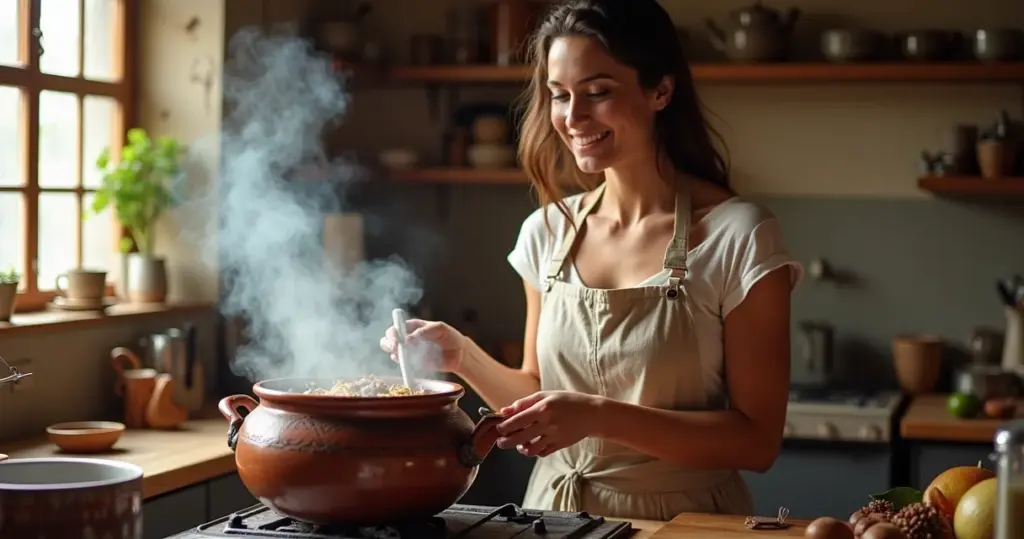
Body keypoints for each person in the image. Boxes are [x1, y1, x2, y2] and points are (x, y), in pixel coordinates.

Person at [380, 0, 803, 521]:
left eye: (598, 93)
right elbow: (538, 390)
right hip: (554, 517)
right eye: (559, 96)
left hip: (684, 523)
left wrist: (598, 416)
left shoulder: (738, 236)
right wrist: (461, 355)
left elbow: (756, 443)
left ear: (661, 91)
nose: (573, 118)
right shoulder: (547, 232)